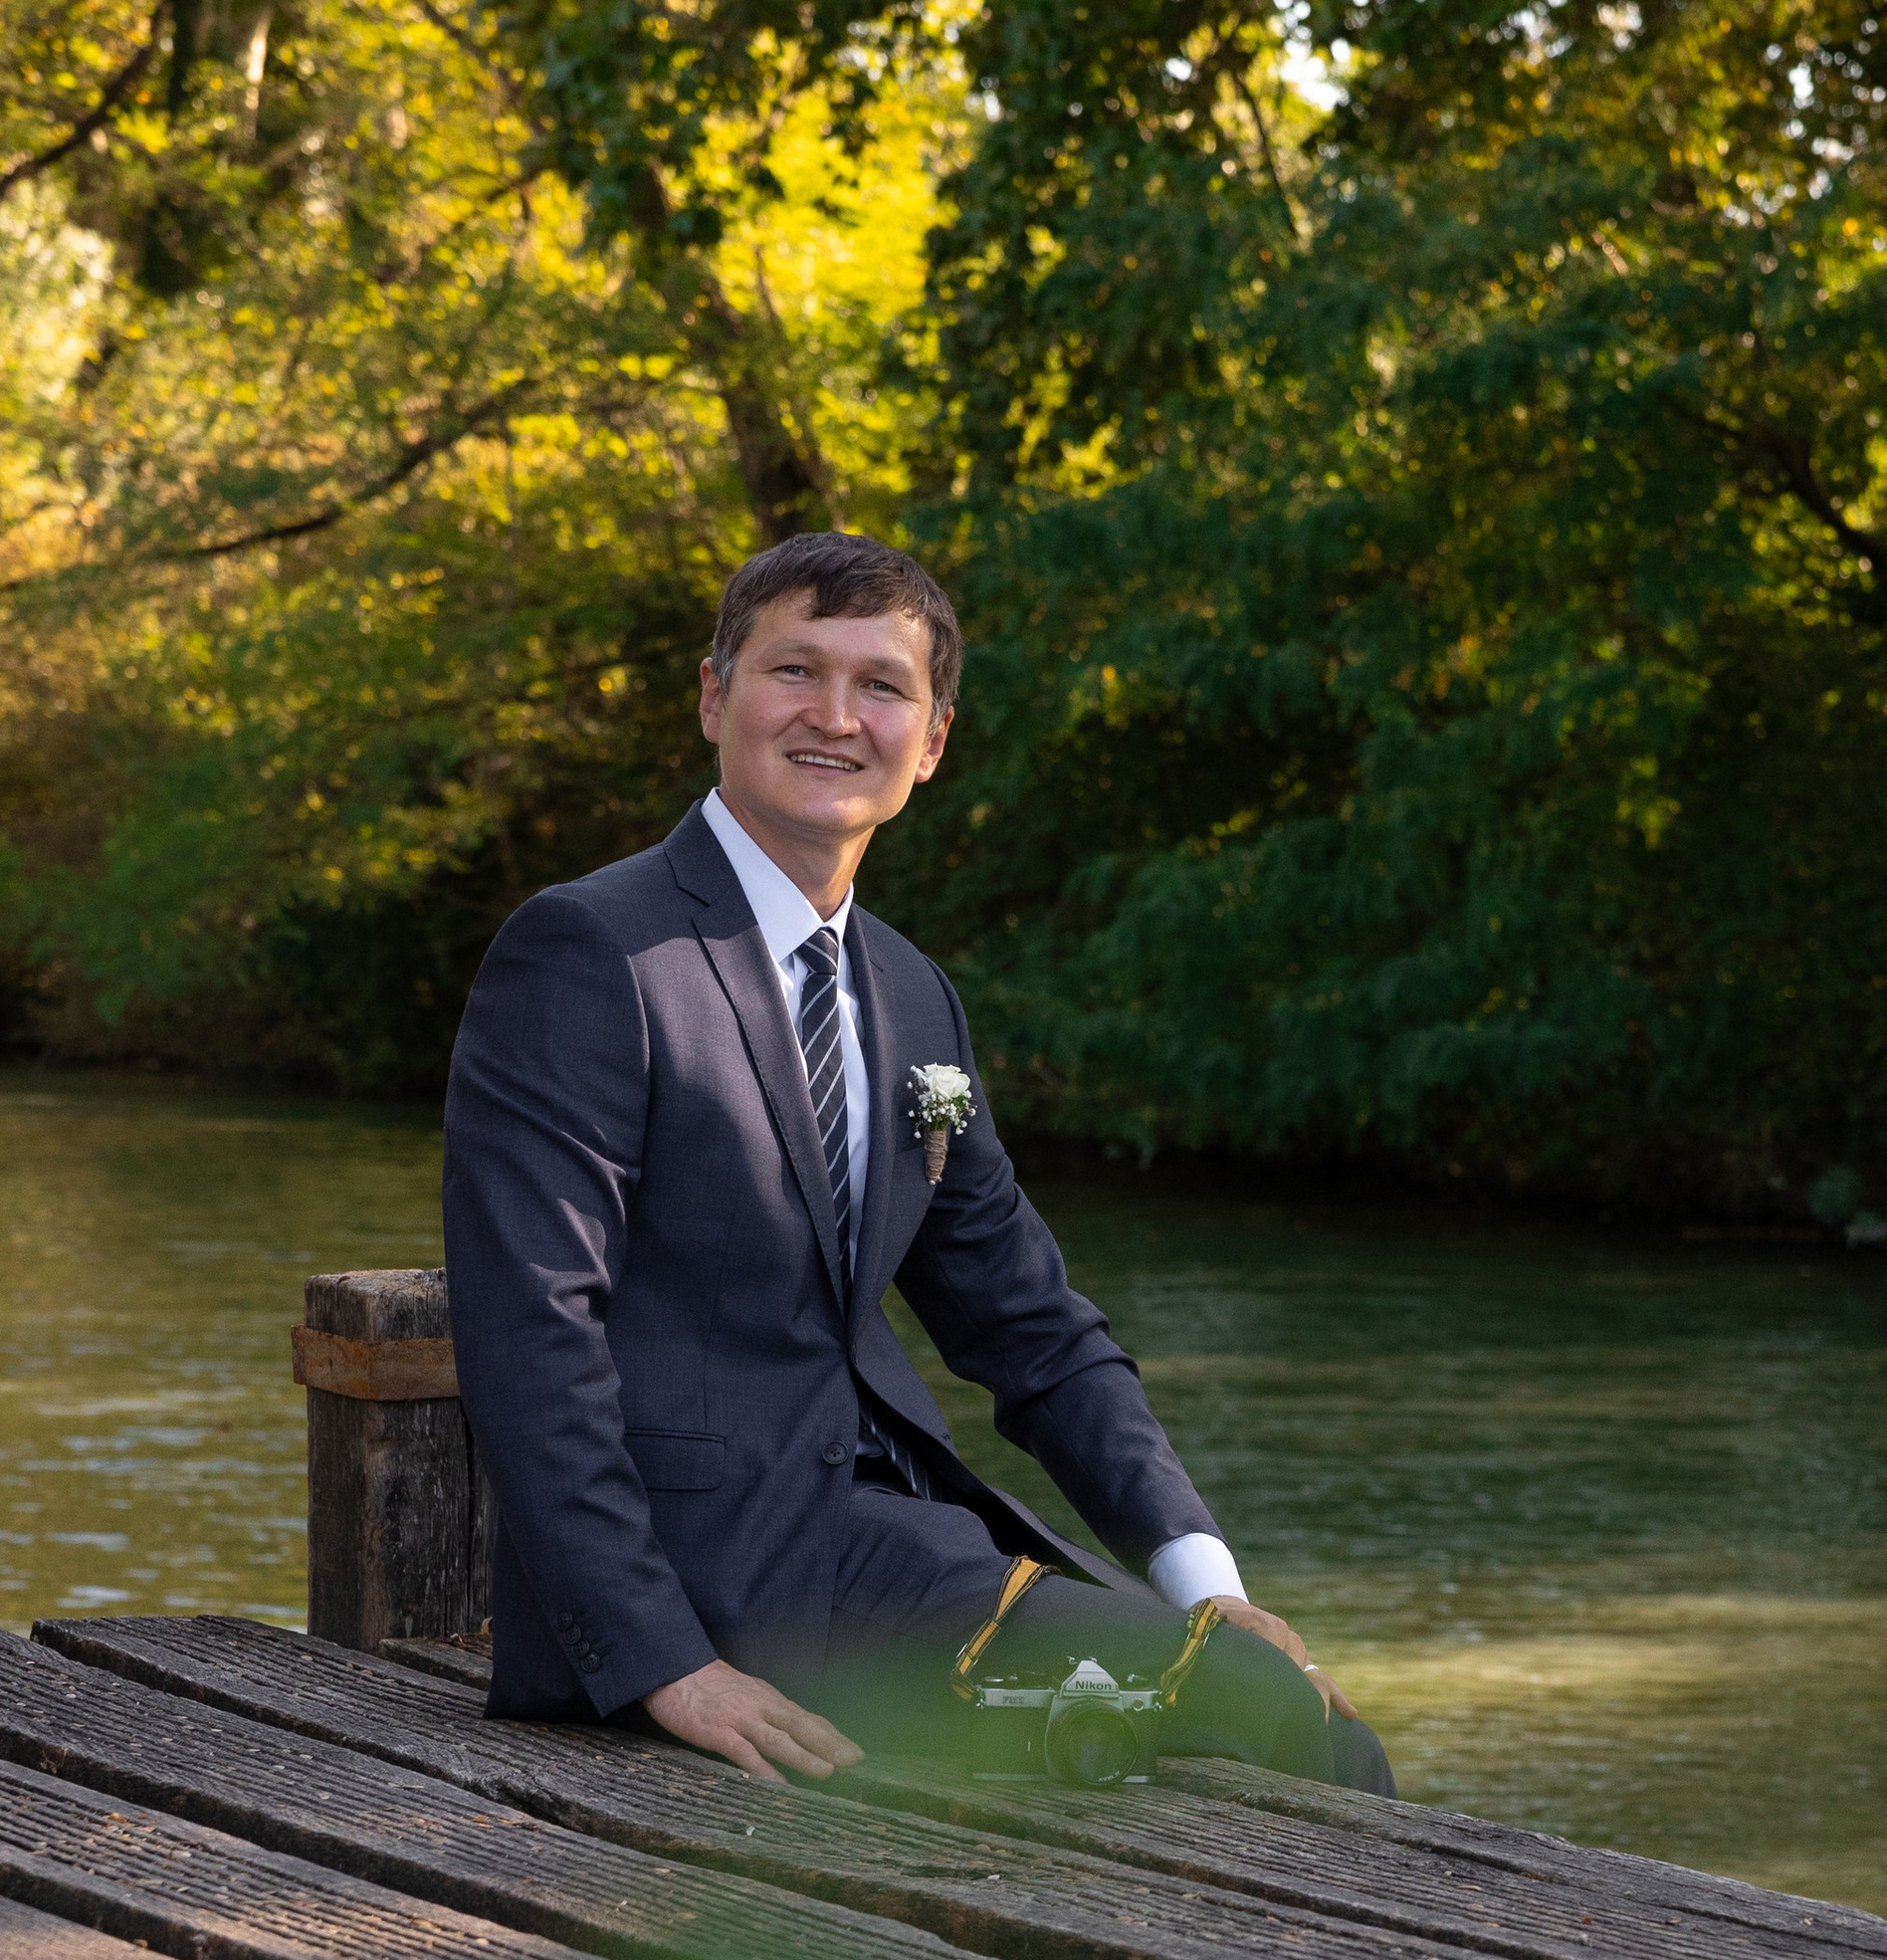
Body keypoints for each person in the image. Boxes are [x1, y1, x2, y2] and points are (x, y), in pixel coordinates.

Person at [442, 528, 1393, 1795]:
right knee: (1264, 1722)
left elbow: (1032, 1328)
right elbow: (530, 1331)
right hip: (705, 1599)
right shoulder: (589, 953)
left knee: (1290, 1712)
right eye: (795, 672)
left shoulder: (907, 994)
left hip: (883, 1559)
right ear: (715, 697)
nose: (835, 716)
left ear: (932, 740)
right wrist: (664, 1660)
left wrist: (1206, 1582)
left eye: (881, 686)